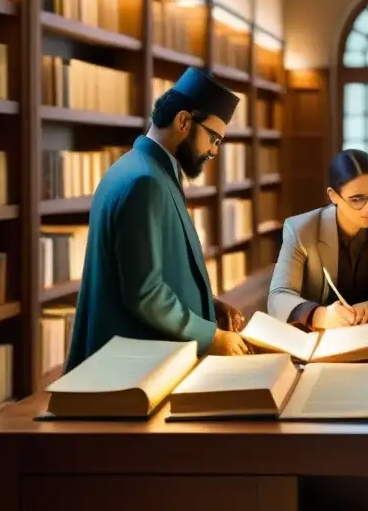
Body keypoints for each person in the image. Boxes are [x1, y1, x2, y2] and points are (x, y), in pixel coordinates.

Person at [64, 67, 250, 372]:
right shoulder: (145, 181)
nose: (213, 151)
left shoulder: (146, 169)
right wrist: (211, 337)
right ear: (183, 121)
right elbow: (146, 293)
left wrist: (209, 304)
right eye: (213, 138)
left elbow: (155, 270)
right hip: (132, 369)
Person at [268, 148, 368, 328]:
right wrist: (319, 315)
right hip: (323, 339)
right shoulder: (301, 230)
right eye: (357, 199)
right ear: (334, 196)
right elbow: (278, 296)